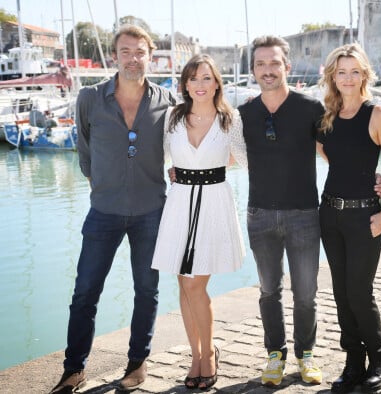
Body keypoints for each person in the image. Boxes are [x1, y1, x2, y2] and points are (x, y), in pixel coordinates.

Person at [48, 25, 176, 394]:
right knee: (85, 291)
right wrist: (101, 185)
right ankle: (74, 369)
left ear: (150, 55)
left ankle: (137, 362)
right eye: (125, 51)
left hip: (152, 211)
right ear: (115, 55)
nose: (133, 59)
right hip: (103, 211)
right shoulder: (90, 97)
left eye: (140, 52)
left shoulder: (167, 100)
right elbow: (84, 151)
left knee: (146, 290)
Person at [151, 54, 247, 390]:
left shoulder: (229, 119)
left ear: (217, 82)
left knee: (195, 284)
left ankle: (207, 355)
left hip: (213, 204)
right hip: (179, 203)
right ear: (185, 83)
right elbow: (162, 155)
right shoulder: (174, 118)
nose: (200, 85)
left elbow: (248, 159)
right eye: (194, 78)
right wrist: (174, 171)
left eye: (207, 78)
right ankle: (197, 354)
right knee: (183, 283)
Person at [237, 35, 325, 387]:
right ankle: (275, 354)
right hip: (259, 215)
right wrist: (180, 170)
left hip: (304, 213)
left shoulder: (310, 108)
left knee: (305, 294)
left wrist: (371, 179)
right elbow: (221, 152)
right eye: (261, 64)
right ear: (253, 69)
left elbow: (331, 151)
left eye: (274, 63)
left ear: (287, 66)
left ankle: (306, 355)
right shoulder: (244, 113)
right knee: (268, 291)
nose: (268, 70)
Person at [317, 44, 381, 393]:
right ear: (332, 77)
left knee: (359, 291)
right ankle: (353, 361)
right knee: (339, 292)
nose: (347, 78)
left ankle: (378, 358)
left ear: (364, 74)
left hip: (366, 217)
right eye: (341, 72)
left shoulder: (378, 113)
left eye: (354, 71)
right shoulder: (327, 116)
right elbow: (325, 153)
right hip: (330, 214)